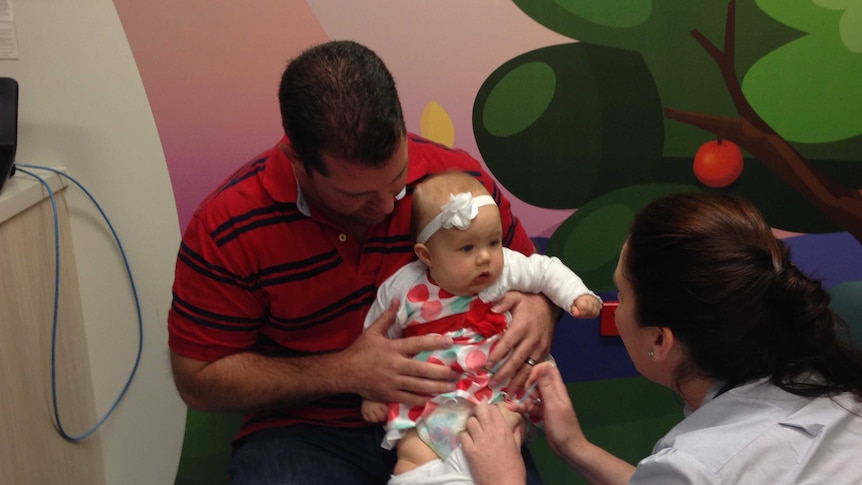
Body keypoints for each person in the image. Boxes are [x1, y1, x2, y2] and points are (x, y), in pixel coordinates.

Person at [167, 40, 560, 484]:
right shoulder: (228, 223)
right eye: (356, 195)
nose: (387, 205)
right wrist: (343, 372)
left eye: (397, 179)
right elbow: (197, 378)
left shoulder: (455, 181)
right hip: (306, 432)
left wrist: (542, 309)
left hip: (456, 412)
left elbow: (533, 275)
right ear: (297, 159)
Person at [460, 192, 862, 485]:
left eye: (623, 295)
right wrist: (574, 447)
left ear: (660, 341)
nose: (615, 309)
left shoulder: (696, 466)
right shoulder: (828, 389)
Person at [359, 171, 601, 484]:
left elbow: (545, 270)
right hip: (429, 409)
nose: (485, 257)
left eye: (493, 241)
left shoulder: (506, 270)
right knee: (411, 462)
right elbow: (376, 340)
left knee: (501, 444)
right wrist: (372, 393)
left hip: (496, 402)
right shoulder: (403, 289)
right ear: (426, 255)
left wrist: (577, 295)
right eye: (467, 249)